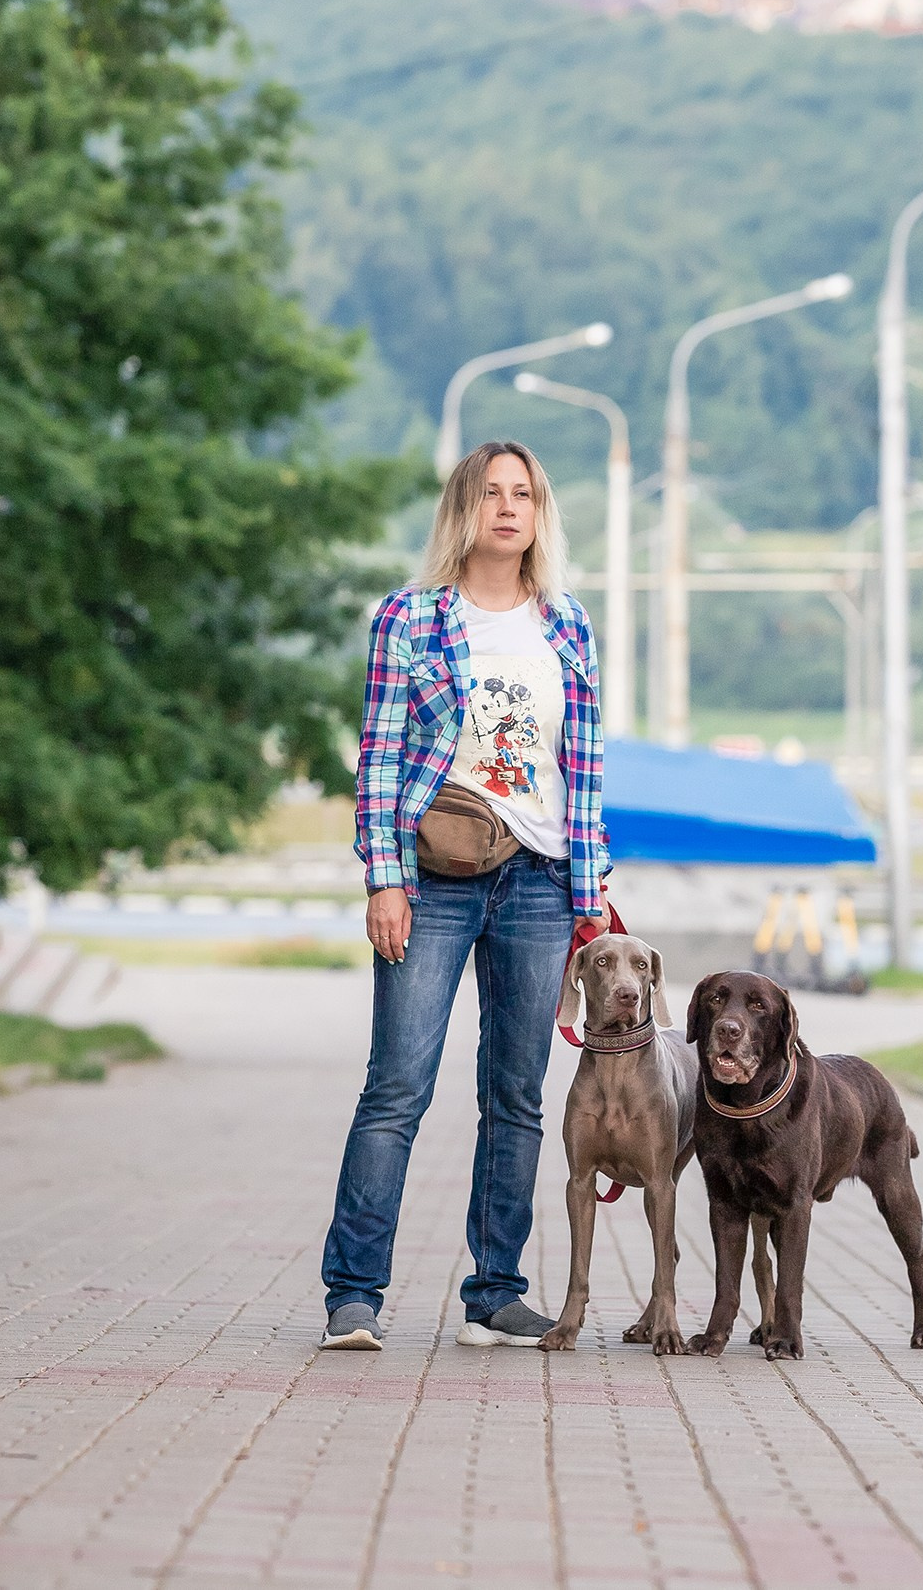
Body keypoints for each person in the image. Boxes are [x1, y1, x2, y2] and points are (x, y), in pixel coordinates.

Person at [320, 440, 608, 1351]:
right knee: (397, 1085)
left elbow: (587, 770)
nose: (509, 507)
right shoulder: (411, 618)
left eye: (524, 493)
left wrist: (590, 894)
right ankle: (354, 1294)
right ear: (464, 509)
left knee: (516, 1093)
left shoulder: (567, 625)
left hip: (541, 879)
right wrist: (384, 877)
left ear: (540, 512)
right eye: (492, 492)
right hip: (435, 876)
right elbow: (379, 755)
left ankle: (495, 1292)